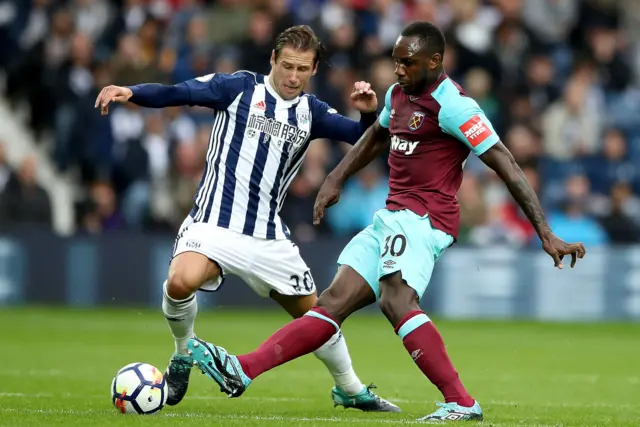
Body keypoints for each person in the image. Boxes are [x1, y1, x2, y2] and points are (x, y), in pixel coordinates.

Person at [184, 21, 587, 422]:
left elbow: (508, 165)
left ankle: (462, 402)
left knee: (397, 301)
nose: (398, 71)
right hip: (392, 216)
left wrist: (545, 232)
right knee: (331, 303)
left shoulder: (456, 106)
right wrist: (335, 177)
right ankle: (244, 369)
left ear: (434, 61)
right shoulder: (398, 94)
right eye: (395, 62)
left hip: (424, 219)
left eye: (407, 63)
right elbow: (376, 136)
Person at [94, 25, 400, 412]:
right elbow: (181, 92)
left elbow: (366, 138)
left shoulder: (313, 112)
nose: (292, 76)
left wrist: (369, 111)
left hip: (268, 237)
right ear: (272, 59)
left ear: (314, 69)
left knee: (320, 320)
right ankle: (183, 353)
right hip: (213, 224)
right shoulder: (238, 88)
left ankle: (351, 389)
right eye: (287, 65)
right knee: (179, 281)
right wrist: (132, 92)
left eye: (302, 69)